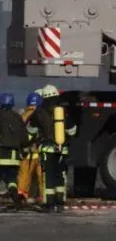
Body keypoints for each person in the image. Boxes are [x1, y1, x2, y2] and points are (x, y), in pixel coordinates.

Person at [33, 84, 74, 213]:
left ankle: (49, 204)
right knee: (60, 175)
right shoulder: (64, 111)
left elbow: (31, 130)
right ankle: (60, 203)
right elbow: (72, 131)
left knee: (48, 176)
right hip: (62, 149)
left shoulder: (39, 112)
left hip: (47, 149)